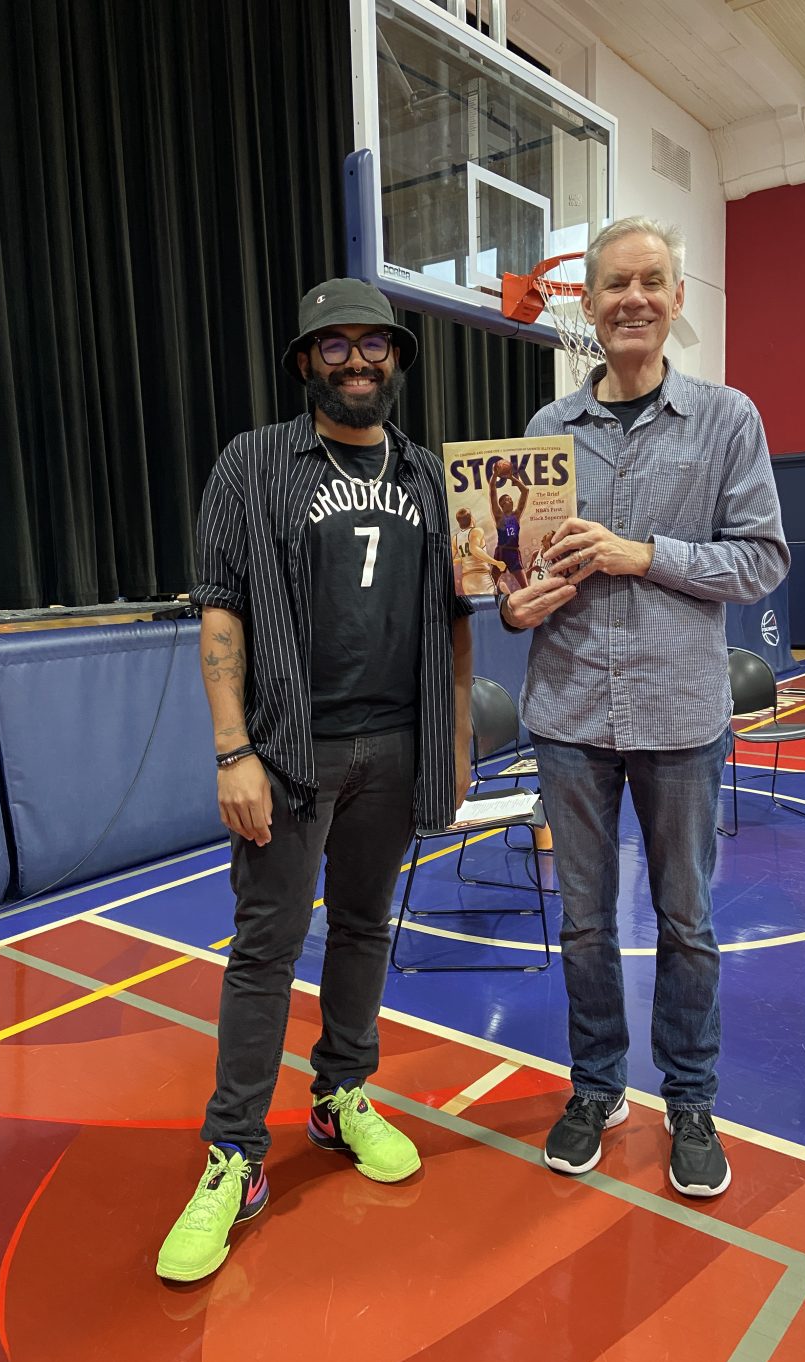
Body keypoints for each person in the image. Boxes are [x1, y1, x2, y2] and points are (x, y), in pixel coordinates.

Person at [157, 278, 473, 1282]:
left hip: (398, 745)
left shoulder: (430, 477)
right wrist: (231, 749)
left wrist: (457, 741)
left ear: (394, 359)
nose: (356, 361)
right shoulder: (252, 464)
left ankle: (340, 1098)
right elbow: (220, 611)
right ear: (305, 363)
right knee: (265, 948)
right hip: (290, 754)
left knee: (367, 928)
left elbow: (460, 621)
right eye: (332, 347)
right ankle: (234, 1155)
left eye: (372, 344)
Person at [499, 217, 789, 1198]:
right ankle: (594, 1089)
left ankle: (692, 1100)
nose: (631, 298)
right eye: (613, 283)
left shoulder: (726, 420)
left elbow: (760, 560)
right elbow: (507, 575)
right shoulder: (542, 436)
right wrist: (509, 600)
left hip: (679, 717)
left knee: (685, 921)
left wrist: (641, 554)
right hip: (570, 715)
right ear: (587, 302)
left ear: (674, 300)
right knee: (582, 924)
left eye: (649, 282)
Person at [489, 467, 529, 591]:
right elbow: (492, 491)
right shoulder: (498, 515)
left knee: (525, 587)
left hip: (513, 552)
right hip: (501, 552)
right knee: (491, 585)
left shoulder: (516, 515)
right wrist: (495, 474)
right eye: (507, 500)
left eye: (511, 499)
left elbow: (525, 491)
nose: (510, 500)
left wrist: (511, 477)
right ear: (501, 504)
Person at [453, 506, 506, 595]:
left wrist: (464, 559)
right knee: (490, 606)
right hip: (481, 577)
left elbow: (450, 561)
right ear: (471, 519)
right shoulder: (476, 531)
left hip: (467, 580)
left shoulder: (455, 538)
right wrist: (496, 563)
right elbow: (473, 549)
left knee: (475, 608)